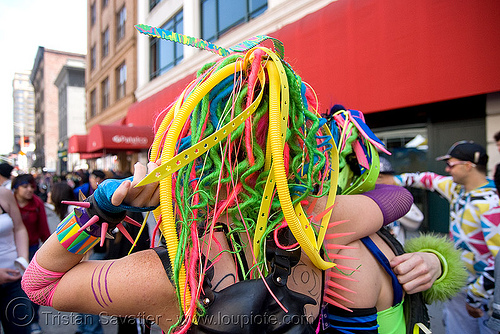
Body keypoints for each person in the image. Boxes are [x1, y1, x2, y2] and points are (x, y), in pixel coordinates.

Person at [21, 38, 457, 334]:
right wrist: (434, 262)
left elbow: (40, 285)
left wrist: (103, 209)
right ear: (304, 150)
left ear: (188, 156)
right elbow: (396, 197)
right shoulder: (337, 222)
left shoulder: (180, 274)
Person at [378, 140, 500, 334]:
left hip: (483, 295)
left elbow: (498, 259)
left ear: (468, 166)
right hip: (461, 288)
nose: (447, 169)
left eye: (451, 164)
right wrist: (393, 181)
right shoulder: (457, 189)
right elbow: (426, 179)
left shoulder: (491, 203)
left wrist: (476, 296)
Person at [12, 173, 51, 334]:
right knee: (14, 288)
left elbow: (44, 230)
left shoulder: (37, 203)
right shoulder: (8, 203)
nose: (29, 190)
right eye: (25, 186)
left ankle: (33, 319)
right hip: (11, 251)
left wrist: (50, 250)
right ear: (16, 188)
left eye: (31, 186)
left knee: (33, 287)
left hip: (33, 249)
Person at [0, 186, 32, 334]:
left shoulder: (4, 194)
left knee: (20, 327)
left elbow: (19, 228)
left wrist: (23, 260)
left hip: (15, 278)